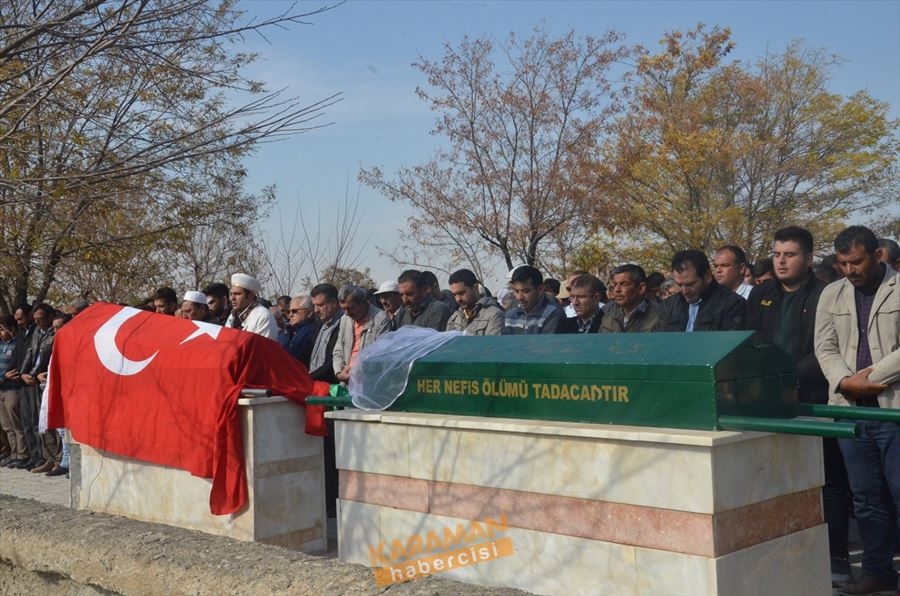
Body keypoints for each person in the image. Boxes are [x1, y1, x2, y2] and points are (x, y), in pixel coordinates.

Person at [745, 226, 851, 584]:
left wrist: (788, 376)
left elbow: (825, 349)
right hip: (772, 402)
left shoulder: (827, 293)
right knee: (776, 477)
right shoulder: (761, 295)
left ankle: (837, 556)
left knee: (829, 480)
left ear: (807, 258)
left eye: (789, 255)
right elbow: (752, 342)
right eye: (776, 254)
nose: (781, 261)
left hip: (815, 397)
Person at [814, 225, 900, 596]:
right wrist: (845, 382)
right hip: (850, 409)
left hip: (892, 407)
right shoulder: (832, 293)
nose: (850, 270)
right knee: (865, 498)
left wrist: (870, 377)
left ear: (877, 255)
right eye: (843, 263)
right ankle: (878, 571)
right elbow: (825, 346)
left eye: (857, 261)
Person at [655, 250, 745, 332]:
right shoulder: (669, 306)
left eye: (690, 284)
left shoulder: (732, 304)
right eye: (679, 285)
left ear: (707, 276)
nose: (684, 291)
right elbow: (658, 340)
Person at [333, 286, 391, 383]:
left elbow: (380, 354)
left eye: (350, 308)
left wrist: (356, 370)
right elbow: (338, 351)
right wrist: (339, 372)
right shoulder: (345, 320)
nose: (347, 313)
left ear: (363, 303)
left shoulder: (380, 319)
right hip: (347, 381)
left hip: (369, 382)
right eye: (343, 309)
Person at [503, 265, 564, 334]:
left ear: (540, 289)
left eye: (526, 291)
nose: (520, 297)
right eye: (516, 291)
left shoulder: (553, 314)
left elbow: (547, 344)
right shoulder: (510, 316)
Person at [0, 314, 26, 468]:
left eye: (2, 329)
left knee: (16, 423)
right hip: (1, 388)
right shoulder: (1, 344)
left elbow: (15, 369)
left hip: (12, 389)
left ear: (11, 329)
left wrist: (6, 376)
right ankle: (13, 452)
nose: (1, 333)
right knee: (6, 425)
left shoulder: (18, 344)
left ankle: (22, 454)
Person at [600, 264, 660, 333]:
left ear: (641, 288)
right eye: (614, 285)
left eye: (624, 284)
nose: (617, 289)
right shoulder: (608, 318)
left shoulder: (658, 318)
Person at [445, 268, 504, 335]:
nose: (458, 299)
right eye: (455, 295)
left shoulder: (493, 315)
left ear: (475, 288)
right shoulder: (454, 318)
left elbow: (492, 344)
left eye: (462, 293)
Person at [225, 273, 278, 340]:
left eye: (237, 294)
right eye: (231, 294)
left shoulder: (264, 316)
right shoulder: (232, 316)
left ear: (250, 296)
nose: (232, 298)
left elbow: (264, 348)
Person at [307, 283, 343, 384]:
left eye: (320, 305)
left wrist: (310, 377)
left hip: (331, 387)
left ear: (334, 302)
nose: (316, 310)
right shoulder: (320, 324)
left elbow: (332, 364)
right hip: (315, 384)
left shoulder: (343, 325)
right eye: (315, 305)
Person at [282, 295, 318, 366]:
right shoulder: (290, 331)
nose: (290, 315)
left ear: (309, 313)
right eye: (289, 312)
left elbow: (294, 357)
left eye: (294, 311)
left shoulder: (310, 332)